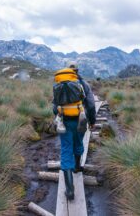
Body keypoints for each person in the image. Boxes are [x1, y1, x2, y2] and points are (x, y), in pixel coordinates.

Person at [52, 61, 96, 200]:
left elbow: (55, 107)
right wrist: (92, 121)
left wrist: (60, 115)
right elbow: (90, 103)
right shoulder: (83, 84)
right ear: (76, 71)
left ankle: (70, 190)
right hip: (80, 120)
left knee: (66, 150)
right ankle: (77, 167)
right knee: (79, 143)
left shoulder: (59, 85)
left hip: (65, 122)